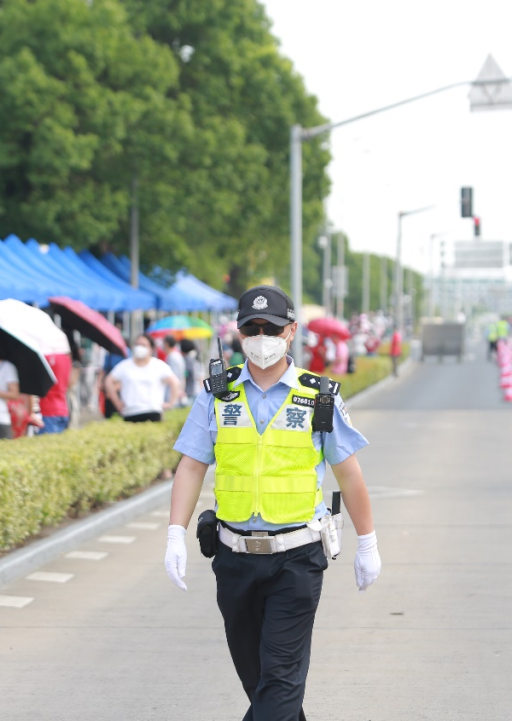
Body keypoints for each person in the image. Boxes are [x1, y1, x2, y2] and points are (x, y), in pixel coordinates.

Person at [165, 285, 381, 721]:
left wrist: (368, 542)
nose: (261, 337)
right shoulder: (218, 393)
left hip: (296, 559)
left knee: (279, 681)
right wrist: (174, 534)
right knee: (261, 683)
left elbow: (349, 473)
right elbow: (191, 466)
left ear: (291, 331)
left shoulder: (318, 395)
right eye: (252, 328)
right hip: (233, 557)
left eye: (272, 328)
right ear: (239, 333)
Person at [104, 335, 182, 422]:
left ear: (151, 349)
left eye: (144, 345)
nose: (140, 348)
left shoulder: (159, 366)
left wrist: (171, 403)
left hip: (153, 411)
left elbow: (175, 382)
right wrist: (117, 403)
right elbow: (109, 381)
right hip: (130, 412)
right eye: (138, 345)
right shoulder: (124, 366)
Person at [38, 351, 72, 434]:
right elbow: (70, 382)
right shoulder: (66, 358)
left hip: (49, 410)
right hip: (63, 408)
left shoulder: (45, 358)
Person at [163, 335, 187, 405]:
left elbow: (174, 377)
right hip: (177, 391)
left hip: (172, 394)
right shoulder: (178, 356)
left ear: (166, 344)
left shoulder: (172, 357)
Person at [181, 338, 202, 405]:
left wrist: (182, 390)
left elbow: (185, 375)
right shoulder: (197, 360)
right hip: (199, 391)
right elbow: (201, 377)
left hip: (191, 392)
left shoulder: (187, 360)